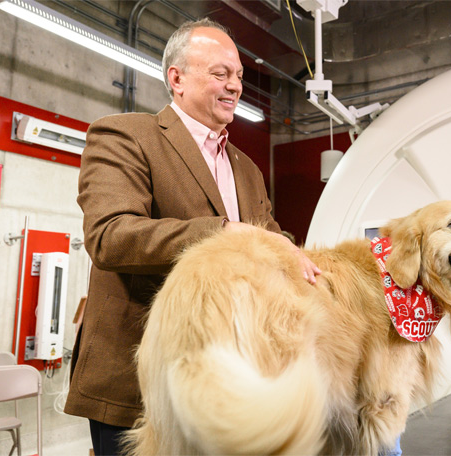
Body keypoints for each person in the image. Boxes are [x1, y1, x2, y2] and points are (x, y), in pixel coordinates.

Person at [64, 18, 320, 456]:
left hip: (230, 376)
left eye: (238, 76)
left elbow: (274, 242)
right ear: (176, 79)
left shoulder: (248, 169)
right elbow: (110, 236)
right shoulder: (125, 135)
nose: (235, 86)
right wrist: (223, 233)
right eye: (220, 74)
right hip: (139, 376)